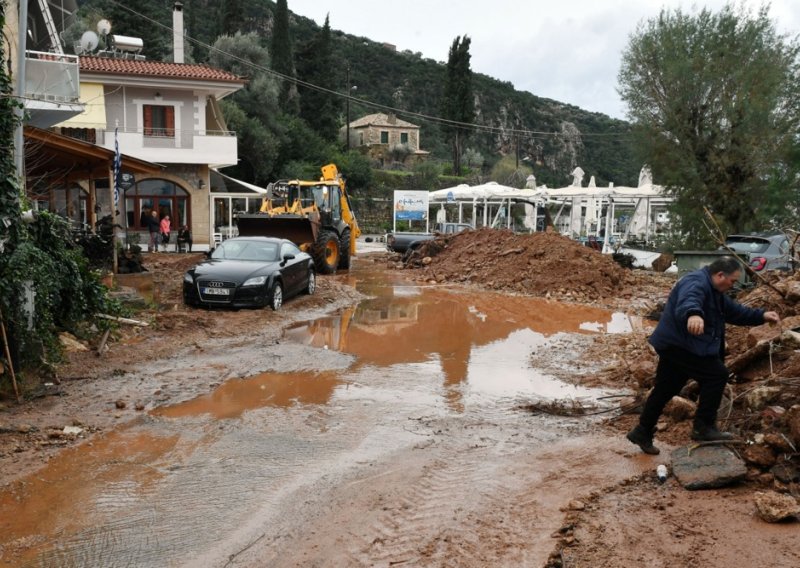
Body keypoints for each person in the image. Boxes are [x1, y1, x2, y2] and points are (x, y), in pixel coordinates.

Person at [626, 256, 780, 455]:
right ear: (719, 275)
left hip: (678, 345)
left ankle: (642, 431)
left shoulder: (715, 291)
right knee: (717, 375)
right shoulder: (696, 282)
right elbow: (689, 300)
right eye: (732, 280)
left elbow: (735, 312)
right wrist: (693, 314)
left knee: (666, 388)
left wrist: (761, 315)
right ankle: (703, 427)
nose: (733, 284)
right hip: (681, 345)